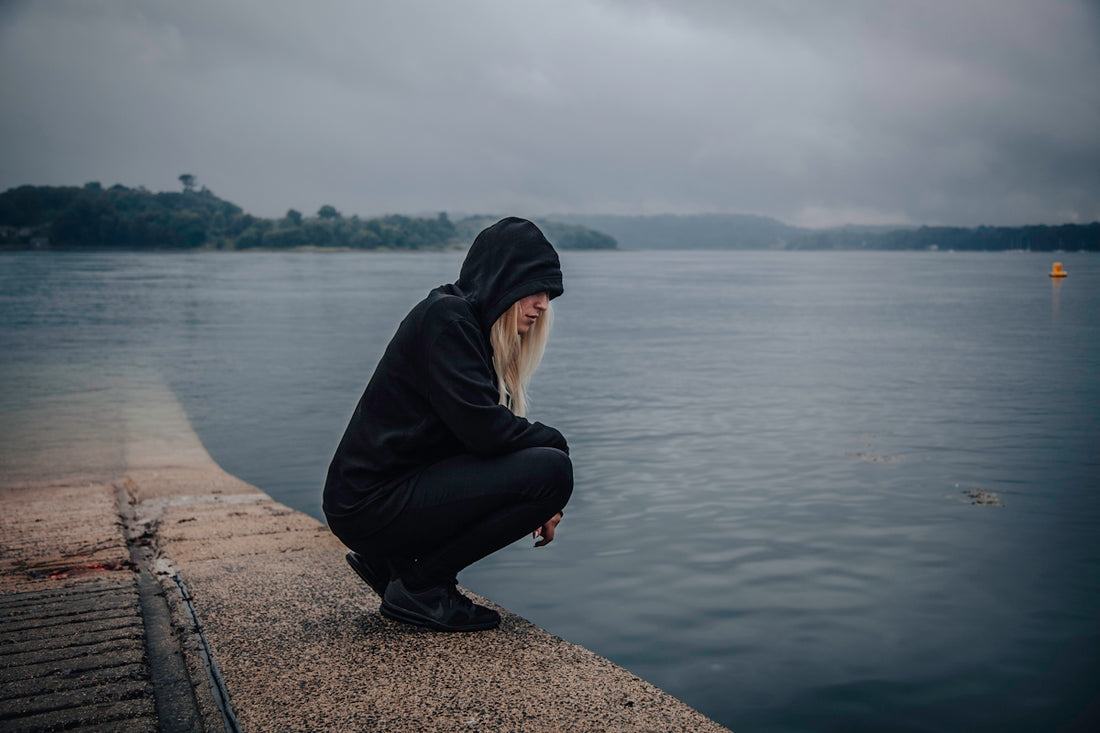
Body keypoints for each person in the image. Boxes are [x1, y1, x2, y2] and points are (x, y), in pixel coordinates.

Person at [323, 217, 573, 632]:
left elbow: (471, 439)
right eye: (535, 288)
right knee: (552, 471)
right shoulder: (448, 319)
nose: (544, 304)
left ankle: (397, 565)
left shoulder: (462, 323)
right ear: (503, 279)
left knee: (544, 469)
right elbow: (487, 433)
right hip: (368, 505)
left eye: (549, 293)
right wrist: (557, 449)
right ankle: (422, 585)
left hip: (375, 501)